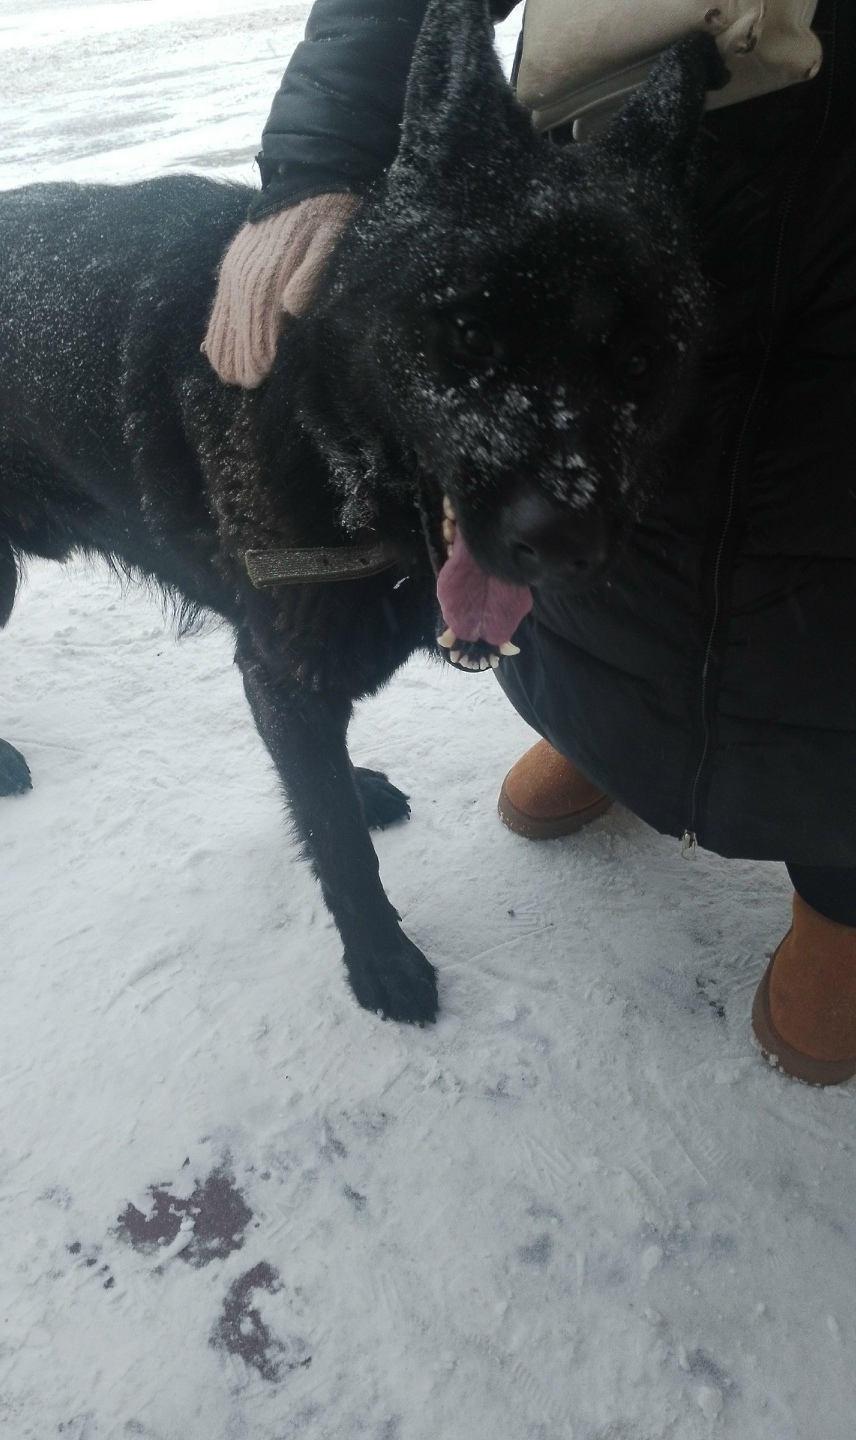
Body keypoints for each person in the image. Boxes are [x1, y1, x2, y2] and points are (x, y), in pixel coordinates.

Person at [202, 0, 856, 1085]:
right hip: (610, 127)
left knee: (817, 547)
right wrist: (324, 151)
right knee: (588, 514)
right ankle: (614, 739)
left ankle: (839, 890)